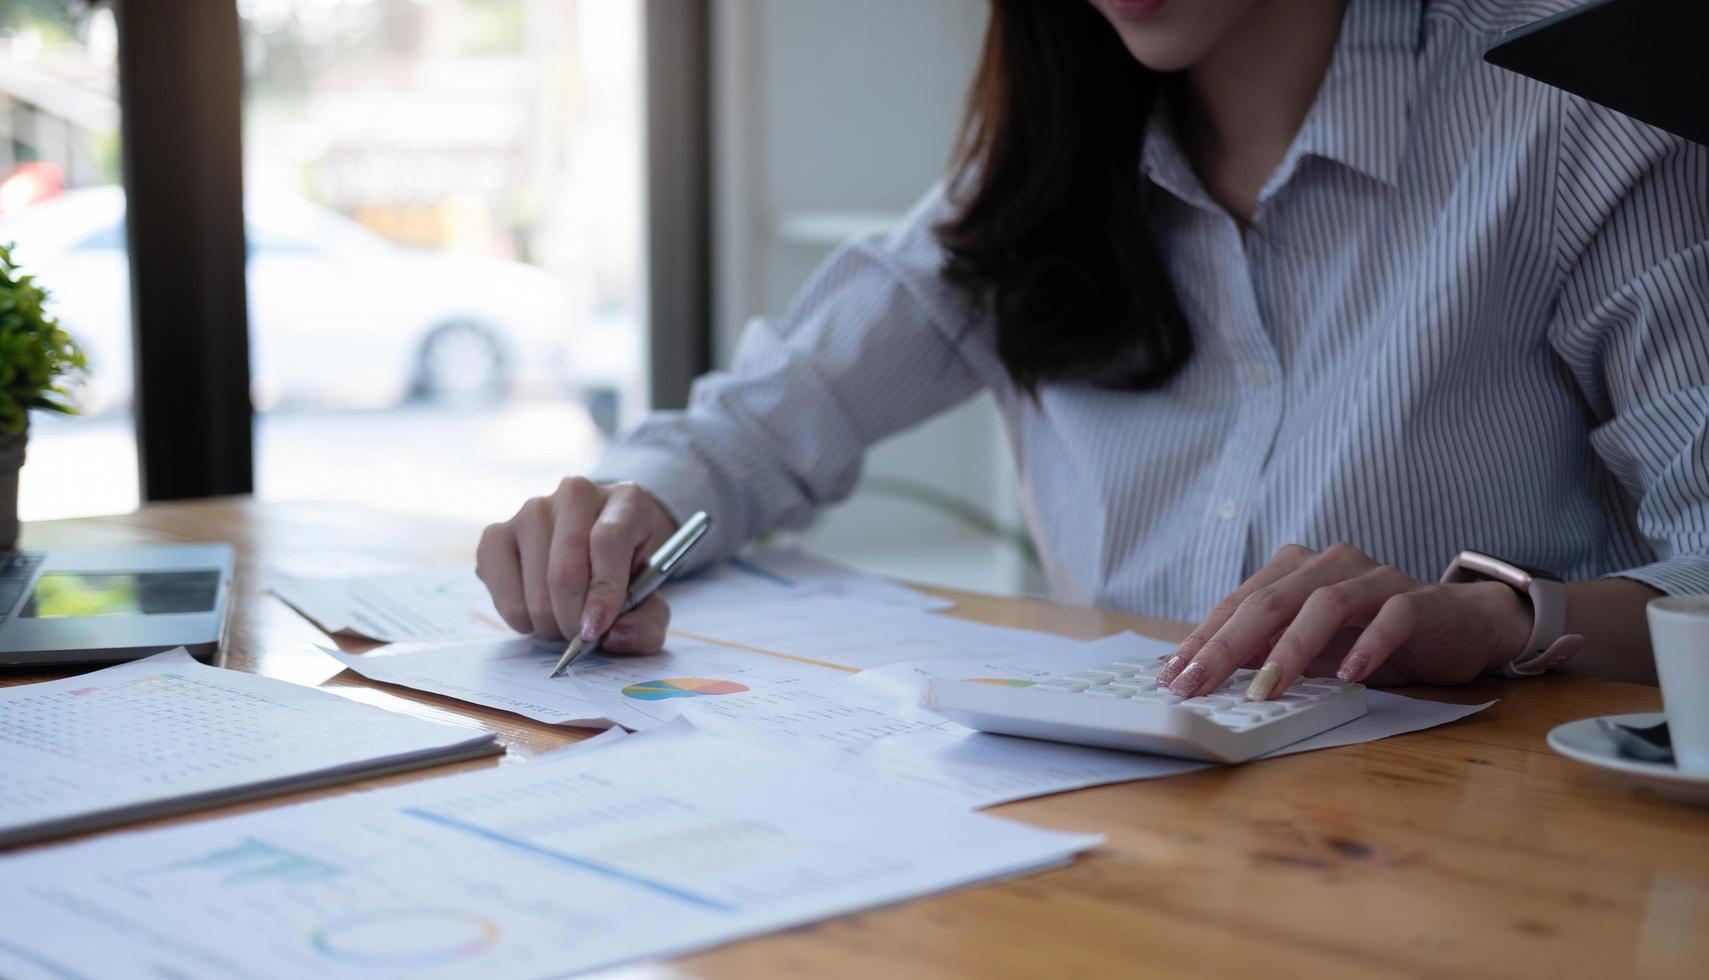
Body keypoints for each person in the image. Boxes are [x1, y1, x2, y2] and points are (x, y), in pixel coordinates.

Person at [477, 0, 1708, 699]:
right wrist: (623, 516)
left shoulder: (1570, 130)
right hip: (1113, 857)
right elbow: (752, 429)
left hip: (1491, 870)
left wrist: (1501, 615)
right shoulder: (1041, 171)